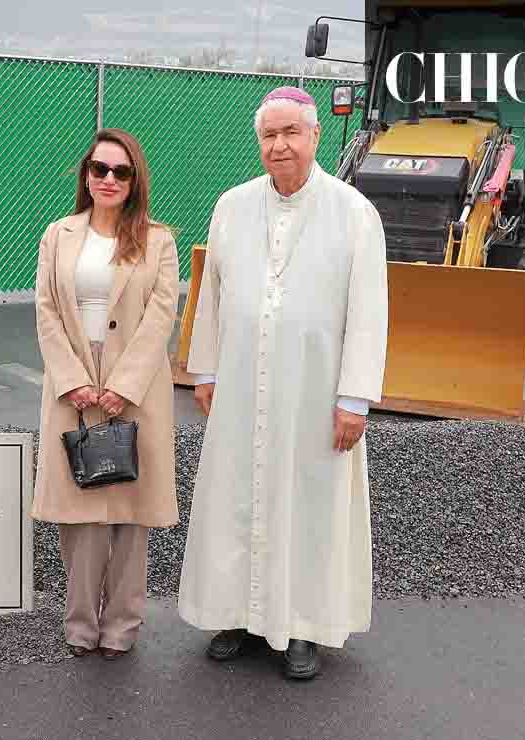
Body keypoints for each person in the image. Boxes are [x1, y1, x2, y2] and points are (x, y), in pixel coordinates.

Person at [176, 86, 388, 680]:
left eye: (291, 132)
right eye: (269, 135)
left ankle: (302, 627)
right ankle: (235, 615)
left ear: (315, 137)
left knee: (309, 502)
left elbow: (369, 310)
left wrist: (354, 398)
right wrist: (207, 369)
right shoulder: (232, 206)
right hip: (241, 383)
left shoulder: (352, 212)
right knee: (234, 495)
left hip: (315, 392)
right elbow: (211, 296)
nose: (279, 145)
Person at [31, 128, 180, 661]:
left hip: (134, 385)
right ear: (86, 175)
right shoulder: (58, 234)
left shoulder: (158, 239)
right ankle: (79, 623)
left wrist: (123, 385)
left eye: (120, 171)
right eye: (100, 169)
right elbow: (46, 309)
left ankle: (122, 625)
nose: (109, 179)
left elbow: (162, 313)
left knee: (130, 513)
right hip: (73, 382)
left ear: (135, 178)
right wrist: (72, 378)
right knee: (82, 511)